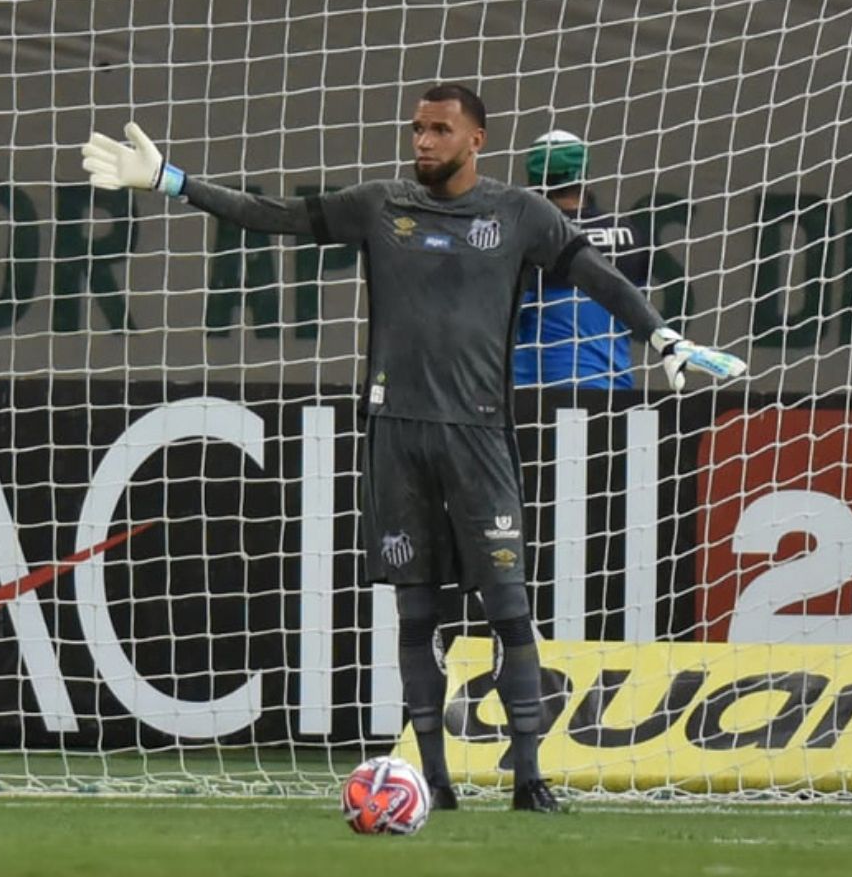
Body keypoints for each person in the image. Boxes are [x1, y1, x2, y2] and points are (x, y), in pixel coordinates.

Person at [80, 83, 746, 813]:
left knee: (509, 608)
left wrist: (660, 335)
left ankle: (529, 778)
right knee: (416, 612)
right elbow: (274, 216)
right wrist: (173, 181)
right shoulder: (380, 205)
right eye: (416, 129)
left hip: (479, 436)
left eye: (438, 129)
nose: (421, 141)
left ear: (475, 141)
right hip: (396, 435)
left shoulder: (517, 213)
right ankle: (432, 778)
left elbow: (595, 272)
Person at [513, 130, 651, 389]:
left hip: (536, 397)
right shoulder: (629, 233)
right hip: (612, 393)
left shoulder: (528, 237)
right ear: (584, 172)